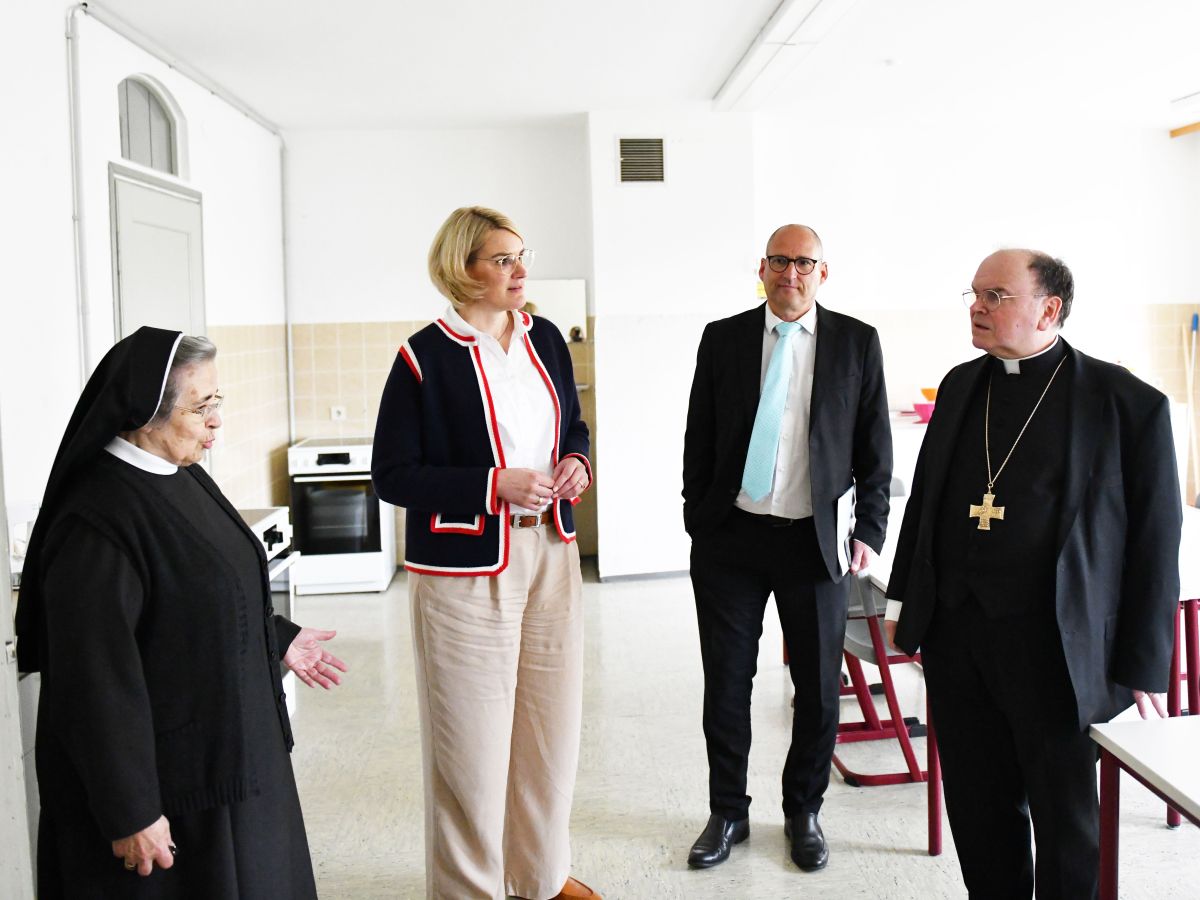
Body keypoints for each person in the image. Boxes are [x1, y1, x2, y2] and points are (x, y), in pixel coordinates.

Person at [885, 249, 1182, 899]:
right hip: (959, 639)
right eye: (974, 294)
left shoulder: (1126, 403)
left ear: (1049, 309)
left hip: (1057, 648)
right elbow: (927, 504)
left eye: (996, 296)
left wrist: (1142, 664)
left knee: (1065, 816)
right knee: (978, 805)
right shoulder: (963, 385)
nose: (977, 307)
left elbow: (1158, 545)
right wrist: (903, 607)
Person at [14, 326, 348, 897]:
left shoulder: (182, 474)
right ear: (145, 413)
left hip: (232, 764)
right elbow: (93, 680)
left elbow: (202, 593)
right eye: (201, 407)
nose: (217, 420)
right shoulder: (98, 520)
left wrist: (279, 637)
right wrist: (131, 813)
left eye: (217, 401)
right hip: (173, 794)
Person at [372, 206, 598, 900]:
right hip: (465, 574)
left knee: (549, 734)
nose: (520, 270)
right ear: (459, 269)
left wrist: (577, 462)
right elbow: (394, 474)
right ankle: (471, 891)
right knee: (470, 752)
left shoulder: (547, 340)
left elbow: (574, 424)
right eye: (502, 260)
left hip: (552, 559)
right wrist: (491, 485)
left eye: (521, 256)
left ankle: (539, 878)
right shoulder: (424, 357)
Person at [681, 224, 892, 872]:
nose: (790, 273)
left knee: (819, 690)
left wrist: (871, 532)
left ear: (823, 272)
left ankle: (804, 810)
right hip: (732, 542)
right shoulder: (724, 338)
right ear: (763, 268)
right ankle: (728, 813)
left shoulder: (857, 342)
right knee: (726, 685)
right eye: (779, 261)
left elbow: (874, 446)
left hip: (814, 543)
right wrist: (698, 517)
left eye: (804, 262)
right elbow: (700, 432)